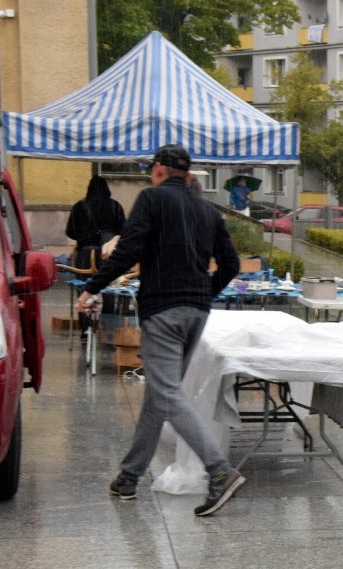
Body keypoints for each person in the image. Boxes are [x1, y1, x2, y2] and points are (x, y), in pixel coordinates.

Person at [74, 144, 244, 517]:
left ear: (160, 170)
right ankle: (129, 477)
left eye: (150, 167)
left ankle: (219, 471)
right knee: (158, 395)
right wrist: (203, 293)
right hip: (196, 312)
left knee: (166, 393)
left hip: (163, 310)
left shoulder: (151, 199)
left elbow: (125, 251)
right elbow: (231, 264)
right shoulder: (208, 209)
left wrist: (91, 287)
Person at [65, 175, 126, 339]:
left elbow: (70, 231)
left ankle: (85, 331)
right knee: (110, 292)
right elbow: (124, 232)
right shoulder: (115, 206)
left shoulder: (79, 207)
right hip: (108, 255)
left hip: (85, 254)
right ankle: (107, 330)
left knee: (83, 290)